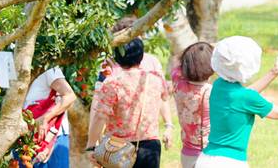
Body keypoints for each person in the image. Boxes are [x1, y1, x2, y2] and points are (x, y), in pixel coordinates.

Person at [195, 36, 278, 168]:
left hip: (205, 160)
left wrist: (274, 72)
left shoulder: (218, 85)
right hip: (230, 162)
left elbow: (245, 96)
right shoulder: (245, 97)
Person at [91, 16, 174, 149]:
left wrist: (168, 125)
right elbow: (98, 104)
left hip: (132, 141)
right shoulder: (108, 67)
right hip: (126, 142)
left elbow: (162, 99)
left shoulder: (152, 63)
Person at [87, 37, 170, 168]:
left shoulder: (112, 83)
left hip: (117, 148)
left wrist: (91, 146)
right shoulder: (155, 78)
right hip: (150, 147)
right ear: (141, 55)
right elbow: (165, 98)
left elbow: (100, 117)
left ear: (117, 57)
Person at [170, 42, 214, 168]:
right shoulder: (210, 92)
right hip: (207, 154)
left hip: (187, 152)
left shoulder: (178, 83)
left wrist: (193, 51)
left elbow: (176, 61)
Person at [22, 67, 77, 167]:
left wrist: (45, 118)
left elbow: (70, 96)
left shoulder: (48, 69)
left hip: (51, 137)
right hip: (26, 141)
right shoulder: (15, 70)